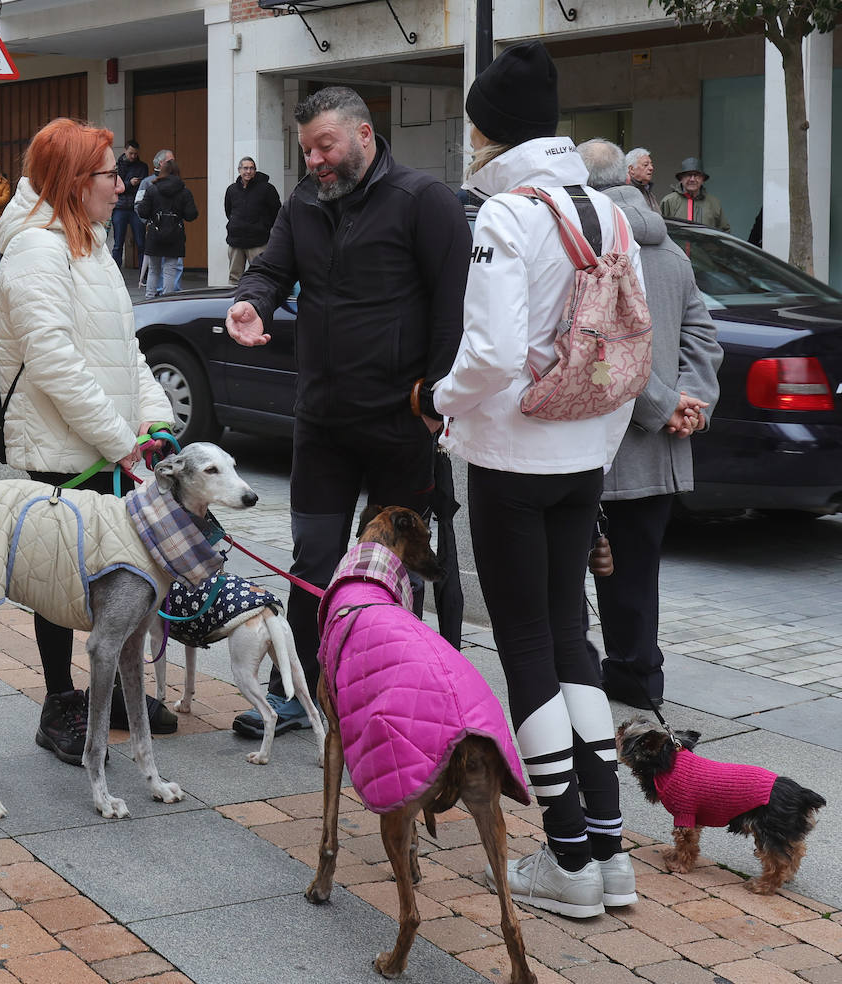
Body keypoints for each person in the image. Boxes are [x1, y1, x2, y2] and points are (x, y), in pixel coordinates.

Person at [430, 42, 643, 918]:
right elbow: (633, 343)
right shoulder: (613, 211)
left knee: (524, 646)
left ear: (485, 129)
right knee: (570, 639)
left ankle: (565, 859)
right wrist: (596, 439)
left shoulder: (506, 216)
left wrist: (441, 404)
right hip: (585, 452)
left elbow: (487, 354)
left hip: (514, 457)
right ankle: (609, 850)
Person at [227, 85, 471, 736]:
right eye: (306, 150)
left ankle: (393, 691)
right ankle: (295, 692)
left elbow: (454, 308)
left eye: (325, 146)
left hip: (400, 421)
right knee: (313, 557)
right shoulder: (304, 203)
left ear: (364, 135)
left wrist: (436, 404)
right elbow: (273, 270)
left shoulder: (424, 201)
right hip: (323, 421)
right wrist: (253, 298)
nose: (314, 161)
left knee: (392, 567)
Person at [0, 117, 178, 765]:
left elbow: (122, 351)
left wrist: (153, 423)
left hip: (104, 444)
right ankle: (59, 701)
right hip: (58, 449)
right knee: (59, 580)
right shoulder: (35, 249)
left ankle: (113, 690)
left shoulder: (89, 243)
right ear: (76, 181)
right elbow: (52, 360)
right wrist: (115, 438)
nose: (123, 183)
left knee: (112, 573)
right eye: (109, 173)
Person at [577, 138, 723, 711]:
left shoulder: (589, 253)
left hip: (597, 445)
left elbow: (602, 351)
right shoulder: (672, 254)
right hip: (657, 452)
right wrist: (692, 400)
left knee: (574, 574)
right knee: (638, 574)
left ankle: (588, 680)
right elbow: (703, 338)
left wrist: (667, 406)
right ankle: (638, 678)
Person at [137, 157, 198, 299]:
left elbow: (142, 212)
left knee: (153, 270)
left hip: (155, 234)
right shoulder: (184, 192)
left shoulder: (152, 189)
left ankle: (149, 298)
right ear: (177, 173)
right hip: (175, 235)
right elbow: (191, 215)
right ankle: (168, 300)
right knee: (170, 270)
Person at [224, 156, 280, 285]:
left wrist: (263, 227)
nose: (248, 171)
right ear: (239, 170)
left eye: (251, 168)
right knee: (234, 278)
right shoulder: (231, 190)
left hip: (258, 242)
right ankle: (235, 303)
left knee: (261, 277)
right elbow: (229, 211)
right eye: (245, 168)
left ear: (255, 170)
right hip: (236, 241)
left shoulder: (267, 189)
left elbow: (276, 212)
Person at [135, 149, 174, 288]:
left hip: (173, 230)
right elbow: (137, 205)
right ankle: (154, 295)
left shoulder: (176, 182)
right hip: (155, 229)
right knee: (154, 267)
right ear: (161, 163)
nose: (173, 163)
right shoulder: (146, 183)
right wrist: (148, 222)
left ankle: (173, 293)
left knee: (174, 267)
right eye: (170, 161)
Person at [660, 158, 730, 232]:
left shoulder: (714, 203)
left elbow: (724, 231)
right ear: (681, 178)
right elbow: (660, 229)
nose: (692, 179)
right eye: (688, 175)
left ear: (703, 179)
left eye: (697, 175)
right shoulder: (668, 201)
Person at [111, 140, 149, 270]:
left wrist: (124, 186)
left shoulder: (142, 166)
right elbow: (114, 186)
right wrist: (129, 184)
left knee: (141, 243)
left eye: (135, 154)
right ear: (125, 151)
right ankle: (115, 274)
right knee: (118, 243)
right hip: (120, 207)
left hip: (135, 208)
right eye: (131, 153)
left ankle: (143, 275)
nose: (133, 156)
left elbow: (143, 187)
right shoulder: (116, 166)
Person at [625, 147, 658, 212]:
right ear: (631, 169)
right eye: (646, 165)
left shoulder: (647, 190)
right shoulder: (626, 192)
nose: (651, 168)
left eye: (651, 164)